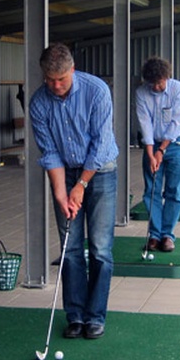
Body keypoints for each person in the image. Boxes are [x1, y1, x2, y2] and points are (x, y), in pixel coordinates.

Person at [29, 43, 119, 340]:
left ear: (73, 70)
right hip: (64, 171)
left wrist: (80, 185)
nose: (55, 86)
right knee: (70, 247)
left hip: (100, 170)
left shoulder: (97, 91)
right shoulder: (38, 102)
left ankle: (95, 316)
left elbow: (100, 144)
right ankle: (76, 316)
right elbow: (50, 151)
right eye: (50, 79)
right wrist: (60, 192)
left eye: (62, 79)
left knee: (100, 248)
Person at [136, 57, 180, 253]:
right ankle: (154, 235)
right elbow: (145, 123)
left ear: (167, 77)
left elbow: (178, 121)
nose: (156, 87)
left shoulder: (178, 89)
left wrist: (161, 149)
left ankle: (167, 234)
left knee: (174, 190)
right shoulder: (141, 93)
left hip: (175, 143)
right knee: (151, 190)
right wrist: (151, 153)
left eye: (160, 82)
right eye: (153, 83)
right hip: (152, 144)